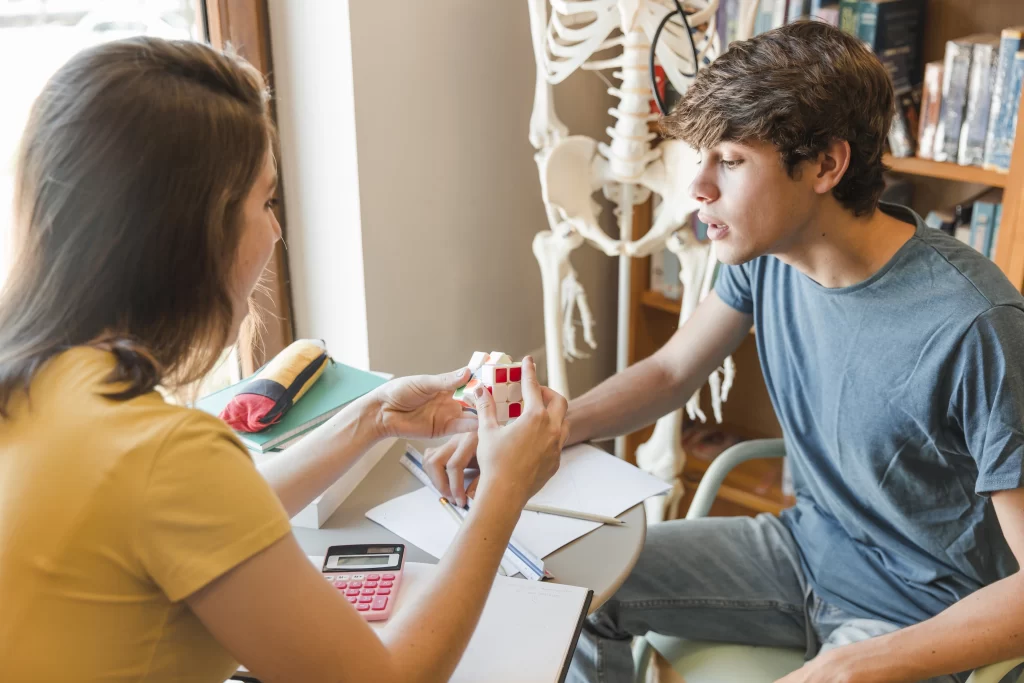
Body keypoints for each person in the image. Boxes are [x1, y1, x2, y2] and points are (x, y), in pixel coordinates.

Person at [425, 21, 1024, 683]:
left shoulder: (974, 323)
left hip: (918, 611)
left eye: (731, 162)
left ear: (826, 164)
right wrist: (540, 430)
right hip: (804, 550)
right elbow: (671, 371)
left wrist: (854, 664)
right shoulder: (769, 253)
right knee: (565, 579)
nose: (698, 188)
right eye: (702, 158)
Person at [0, 38, 569, 683]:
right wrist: (502, 493)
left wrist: (376, 416)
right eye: (266, 202)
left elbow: (215, 517)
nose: (276, 232)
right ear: (195, 236)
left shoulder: (43, 384)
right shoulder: (163, 456)